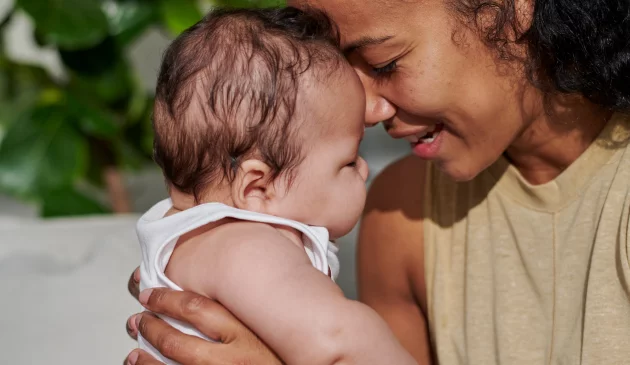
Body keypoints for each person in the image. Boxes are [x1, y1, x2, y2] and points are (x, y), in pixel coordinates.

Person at [125, 0, 630, 364]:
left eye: (385, 62)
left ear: (515, 9)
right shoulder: (401, 211)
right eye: (340, 68)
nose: (368, 109)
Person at [134, 6, 418, 365]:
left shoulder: (203, 239)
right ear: (258, 188)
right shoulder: (244, 246)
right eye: (348, 161)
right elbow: (337, 339)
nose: (364, 170)